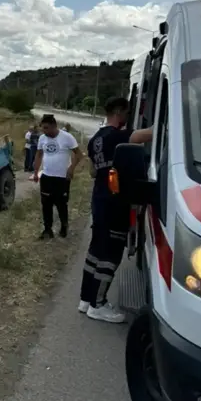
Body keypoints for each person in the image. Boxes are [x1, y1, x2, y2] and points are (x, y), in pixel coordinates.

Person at [79, 96, 153, 323]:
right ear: (119, 112)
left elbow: (93, 172)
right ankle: (98, 305)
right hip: (115, 203)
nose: (127, 118)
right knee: (110, 255)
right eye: (127, 113)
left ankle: (86, 299)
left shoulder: (96, 139)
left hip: (99, 199)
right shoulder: (117, 136)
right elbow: (145, 135)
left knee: (95, 251)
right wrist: (166, 122)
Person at [33, 114, 83, 239]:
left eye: (46, 128)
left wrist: (71, 168)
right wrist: (35, 172)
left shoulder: (67, 137)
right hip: (47, 176)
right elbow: (39, 155)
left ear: (54, 126)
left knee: (61, 203)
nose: (44, 131)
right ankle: (47, 229)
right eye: (43, 128)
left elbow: (79, 154)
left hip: (62, 178)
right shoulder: (42, 138)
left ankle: (64, 226)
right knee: (46, 204)